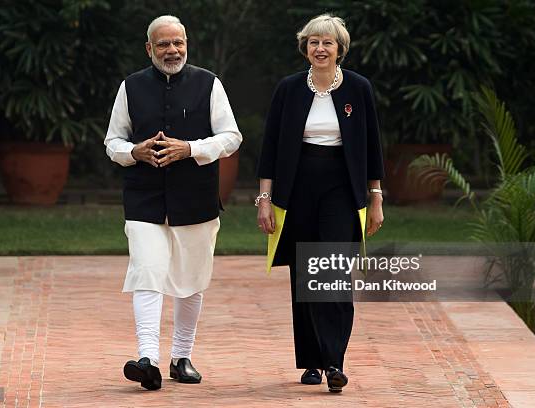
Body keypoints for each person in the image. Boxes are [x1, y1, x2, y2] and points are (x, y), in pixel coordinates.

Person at [104, 15, 242, 391]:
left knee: (191, 280)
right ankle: (147, 358)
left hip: (195, 198)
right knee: (147, 270)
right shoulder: (130, 87)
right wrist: (135, 151)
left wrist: (191, 149)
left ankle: (181, 357)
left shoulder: (208, 84)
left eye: (178, 43)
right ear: (149, 48)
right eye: (163, 44)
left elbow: (231, 137)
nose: (172, 50)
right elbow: (112, 142)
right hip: (144, 198)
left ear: (187, 44)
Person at [256, 14, 384, 393]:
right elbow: (270, 149)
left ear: (340, 48)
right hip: (297, 188)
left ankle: (334, 361)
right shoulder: (289, 88)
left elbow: (372, 147)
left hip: (342, 188)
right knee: (305, 274)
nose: (320, 48)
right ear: (305, 48)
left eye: (327, 42)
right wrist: (265, 198)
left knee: (332, 272)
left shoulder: (359, 88)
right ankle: (311, 361)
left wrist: (375, 197)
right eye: (313, 42)